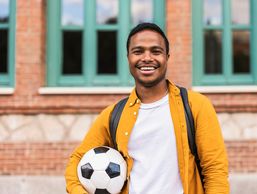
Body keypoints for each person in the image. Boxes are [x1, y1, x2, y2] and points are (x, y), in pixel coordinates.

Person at [65, 22, 229, 194]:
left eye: (156, 51)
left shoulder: (196, 106)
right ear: (128, 57)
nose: (147, 58)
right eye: (138, 51)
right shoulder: (114, 115)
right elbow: (76, 161)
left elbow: (215, 170)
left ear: (167, 57)